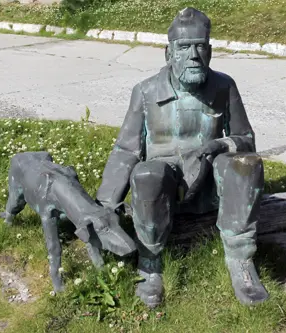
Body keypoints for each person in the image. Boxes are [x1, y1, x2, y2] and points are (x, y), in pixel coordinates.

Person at [96, 7, 269, 308]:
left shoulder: (224, 86)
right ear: (168, 53)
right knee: (148, 173)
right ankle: (150, 262)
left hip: (210, 185)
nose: (193, 55)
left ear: (210, 51)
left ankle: (241, 261)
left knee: (245, 164)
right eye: (184, 47)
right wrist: (105, 205)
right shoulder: (146, 92)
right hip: (163, 189)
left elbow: (247, 140)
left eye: (200, 46)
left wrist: (218, 145)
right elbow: (126, 150)